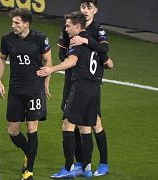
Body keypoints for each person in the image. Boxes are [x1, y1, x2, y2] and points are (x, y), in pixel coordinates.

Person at [37, 11, 113, 179]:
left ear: (78, 26)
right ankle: (86, 169)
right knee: (85, 127)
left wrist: (51, 69)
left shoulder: (76, 41)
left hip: (81, 87)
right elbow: (109, 63)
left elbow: (71, 61)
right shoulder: (92, 42)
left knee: (67, 125)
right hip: (95, 89)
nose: (66, 29)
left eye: (68, 26)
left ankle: (68, 168)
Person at [57, 0, 113, 177]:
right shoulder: (70, 26)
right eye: (83, 6)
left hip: (89, 81)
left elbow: (104, 49)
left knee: (95, 123)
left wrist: (85, 41)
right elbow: (62, 52)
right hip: (72, 80)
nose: (86, 10)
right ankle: (81, 163)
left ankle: (103, 163)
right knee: (75, 123)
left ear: (95, 10)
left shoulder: (97, 30)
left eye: (89, 7)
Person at [0, 8, 52, 180]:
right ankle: (29, 152)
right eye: (12, 22)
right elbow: (1, 58)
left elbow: (48, 61)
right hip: (16, 90)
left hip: (34, 90)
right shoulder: (7, 39)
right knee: (13, 131)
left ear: (26, 24)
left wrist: (46, 84)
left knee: (31, 127)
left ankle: (29, 171)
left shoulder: (40, 39)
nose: (13, 25)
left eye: (17, 23)